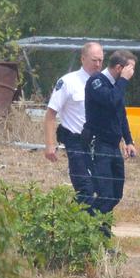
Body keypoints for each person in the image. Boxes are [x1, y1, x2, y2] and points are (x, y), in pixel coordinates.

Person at [83, 50, 137, 235]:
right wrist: (123, 81)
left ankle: (96, 230)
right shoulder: (97, 82)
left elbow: (120, 113)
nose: (132, 74)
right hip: (98, 144)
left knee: (115, 194)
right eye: (130, 69)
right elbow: (110, 100)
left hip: (114, 146)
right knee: (104, 193)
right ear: (119, 68)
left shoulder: (116, 86)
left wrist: (128, 140)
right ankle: (89, 230)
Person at [44, 42, 104, 207]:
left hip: (98, 143)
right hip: (75, 141)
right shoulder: (68, 82)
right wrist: (50, 145)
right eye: (94, 60)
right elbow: (50, 115)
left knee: (103, 188)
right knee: (85, 188)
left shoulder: (105, 82)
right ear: (82, 59)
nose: (98, 64)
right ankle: (82, 229)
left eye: (100, 60)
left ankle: (82, 223)